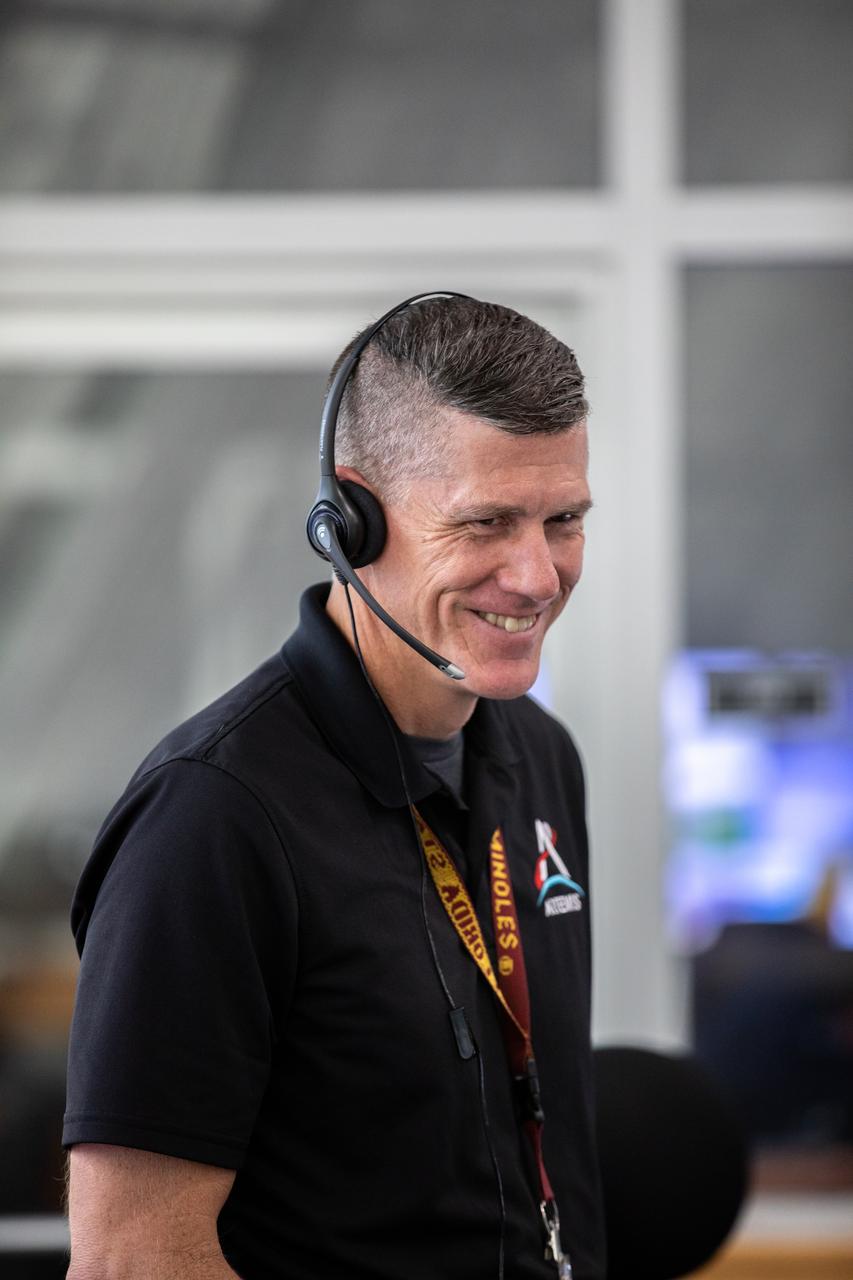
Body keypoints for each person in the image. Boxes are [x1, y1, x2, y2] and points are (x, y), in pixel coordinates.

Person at [64, 297, 606, 1280]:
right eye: (486, 523)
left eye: (562, 519)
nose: (536, 574)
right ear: (349, 522)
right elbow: (134, 1259)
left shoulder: (537, 755)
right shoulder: (212, 816)